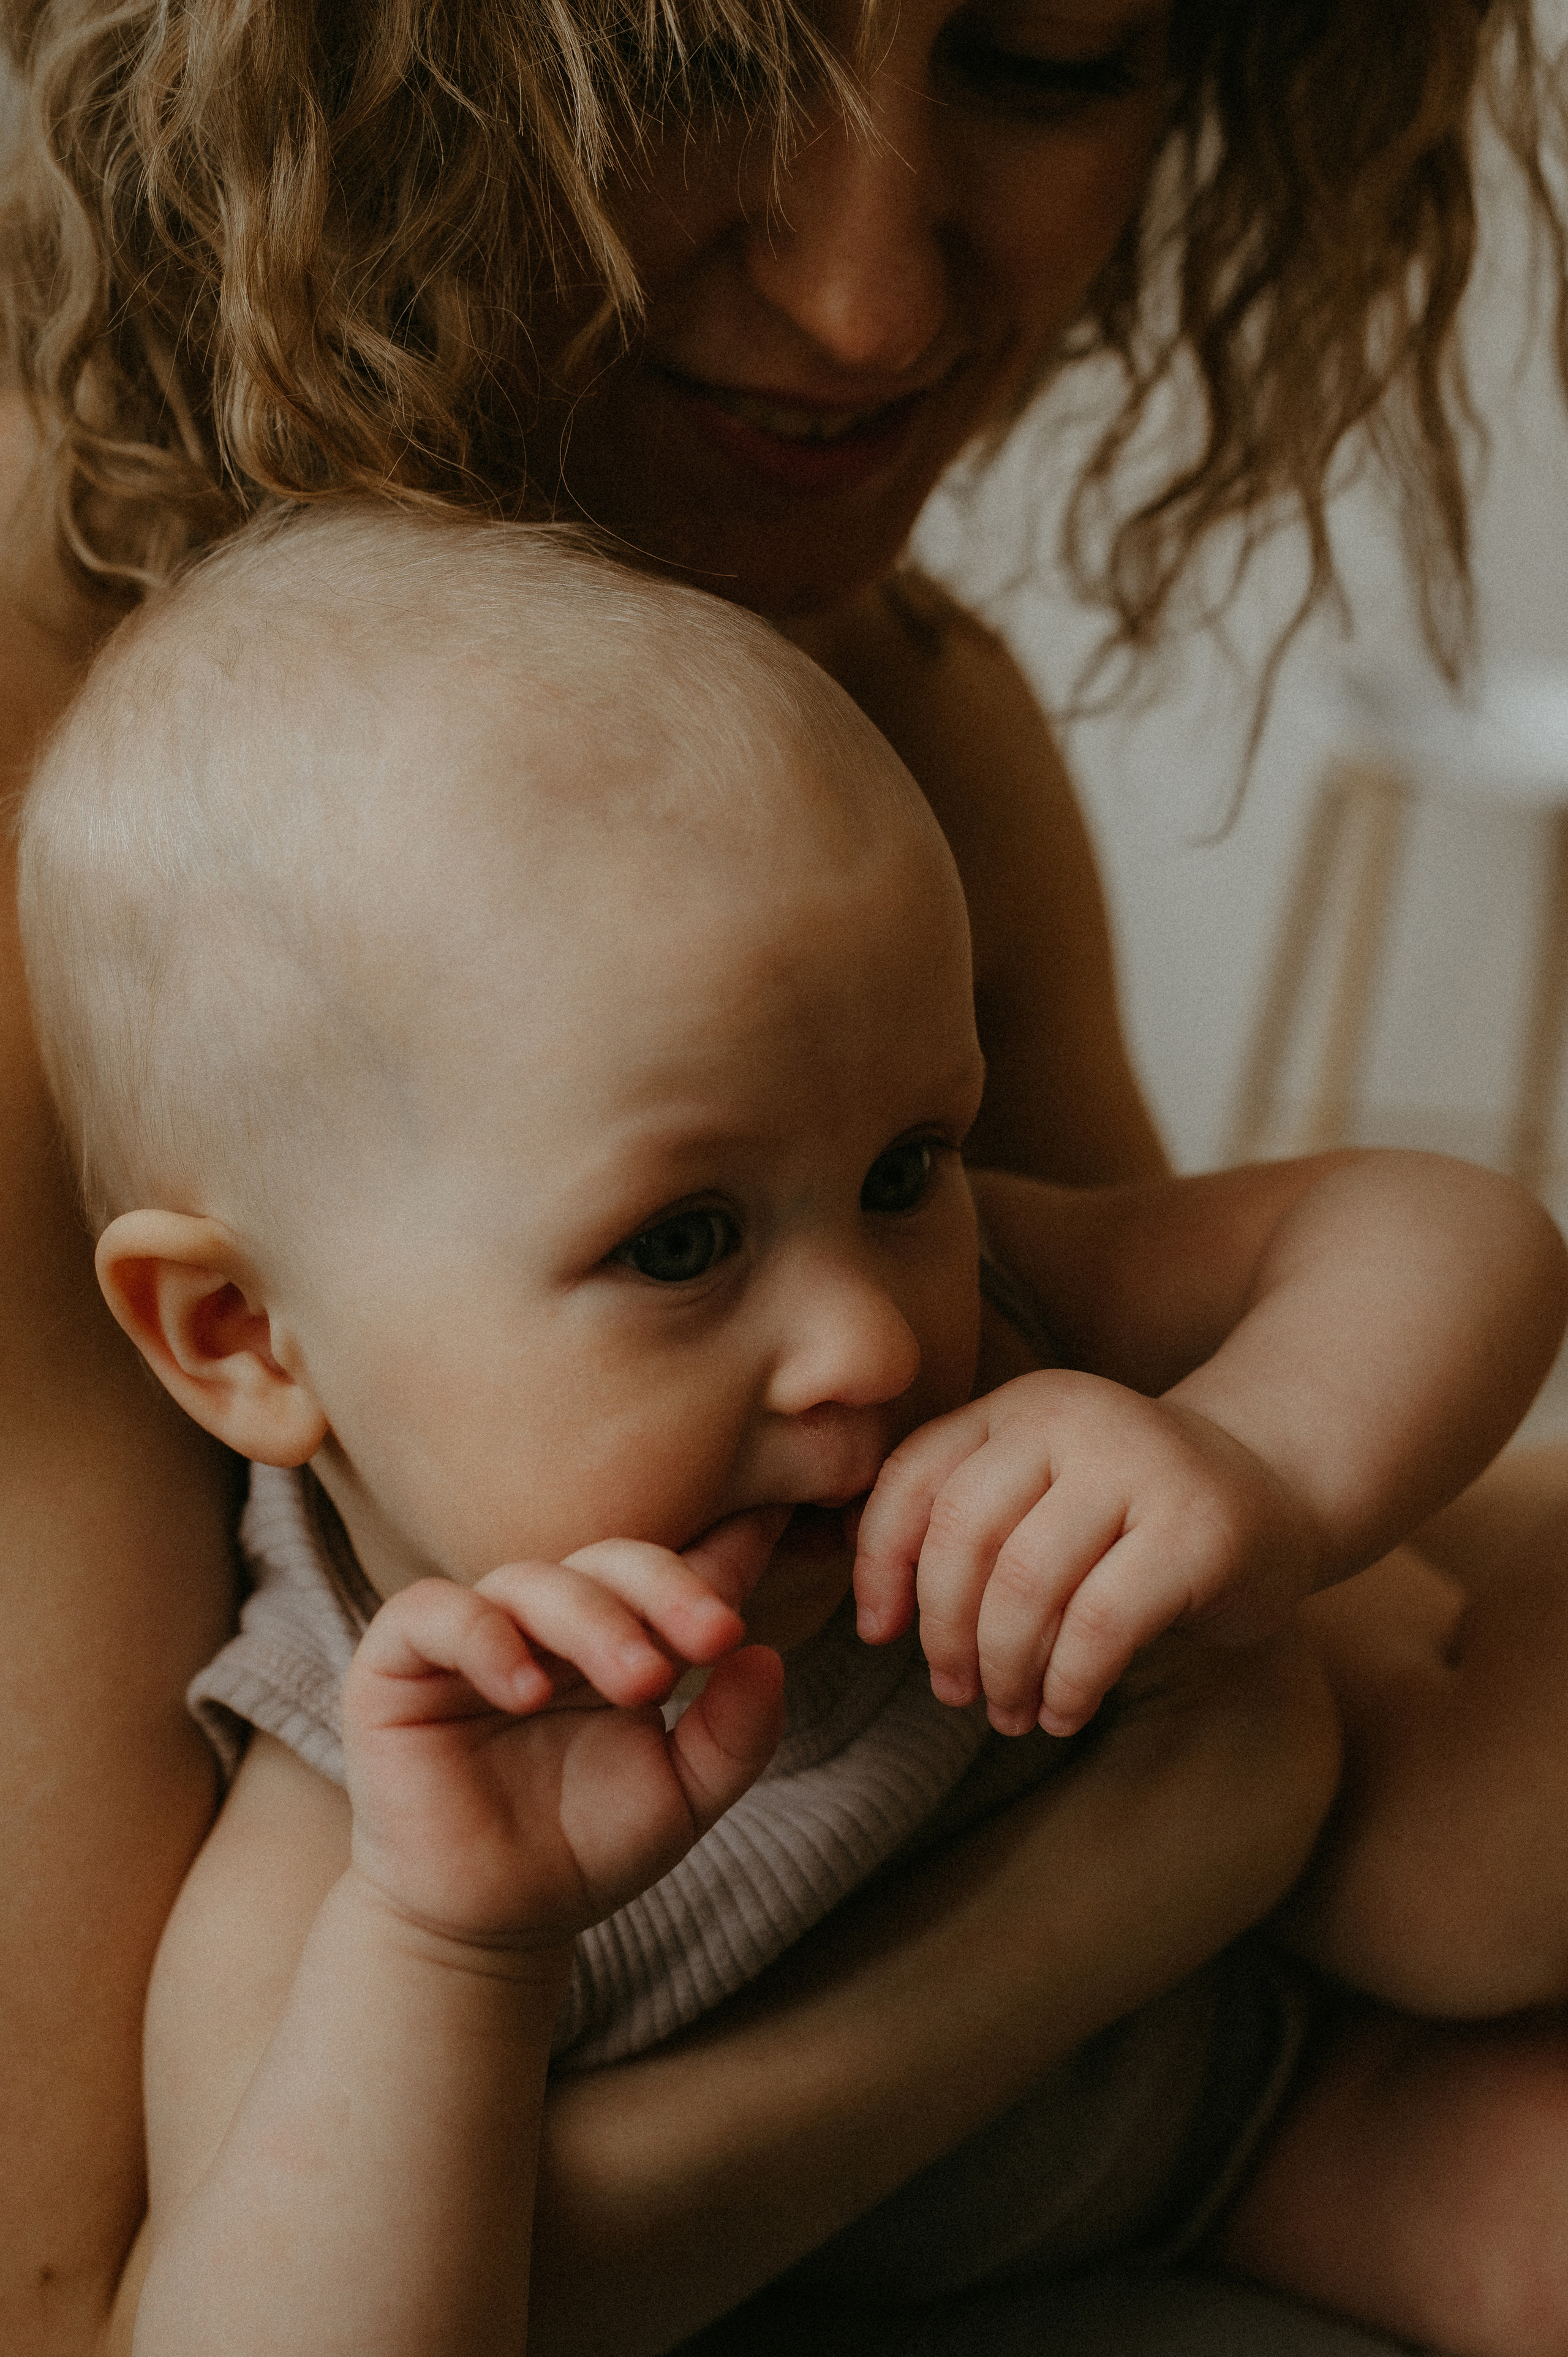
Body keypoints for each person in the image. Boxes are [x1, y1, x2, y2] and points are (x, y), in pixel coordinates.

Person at [4, 5, 1568, 2353]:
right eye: (675, 65)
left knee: (1467, 1891)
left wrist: (1258, 1470)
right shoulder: (358, 1792)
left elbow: (1395, 1264)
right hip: (1133, 2037)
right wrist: (1147, 1864)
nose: (868, 308)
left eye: (1056, 56)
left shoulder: (882, 752)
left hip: (1249, 2093)